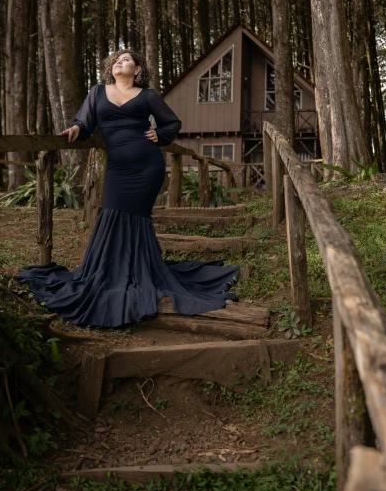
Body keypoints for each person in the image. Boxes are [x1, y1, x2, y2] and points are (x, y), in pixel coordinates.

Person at [14, 49, 240, 328]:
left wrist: (160, 135)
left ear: (138, 70)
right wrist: (74, 130)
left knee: (136, 220)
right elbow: (83, 123)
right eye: (117, 59)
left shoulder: (147, 96)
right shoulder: (97, 92)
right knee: (111, 214)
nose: (120, 61)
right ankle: (109, 274)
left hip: (148, 168)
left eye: (127, 59)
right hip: (119, 169)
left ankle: (133, 273)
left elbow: (173, 122)